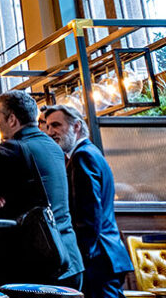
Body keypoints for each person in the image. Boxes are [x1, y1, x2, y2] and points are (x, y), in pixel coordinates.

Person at [0, 91, 84, 289]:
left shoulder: (9, 150)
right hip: (69, 260)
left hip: (30, 267)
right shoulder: (54, 147)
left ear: (12, 119)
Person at [45, 105, 133, 298]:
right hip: (105, 254)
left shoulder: (82, 156)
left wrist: (81, 257)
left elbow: (89, 213)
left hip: (99, 256)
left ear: (76, 126)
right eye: (48, 126)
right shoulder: (90, 152)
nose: (50, 132)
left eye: (56, 125)